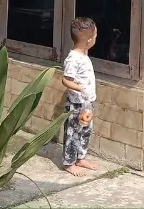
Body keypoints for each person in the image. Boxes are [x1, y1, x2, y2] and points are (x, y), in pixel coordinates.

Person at [61, 17, 98, 176]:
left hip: (87, 104)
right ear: (89, 41)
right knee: (73, 132)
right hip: (76, 104)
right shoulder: (73, 58)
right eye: (95, 36)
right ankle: (69, 163)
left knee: (85, 131)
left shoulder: (83, 54)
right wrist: (80, 88)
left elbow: (84, 47)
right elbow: (65, 79)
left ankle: (80, 158)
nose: (96, 39)